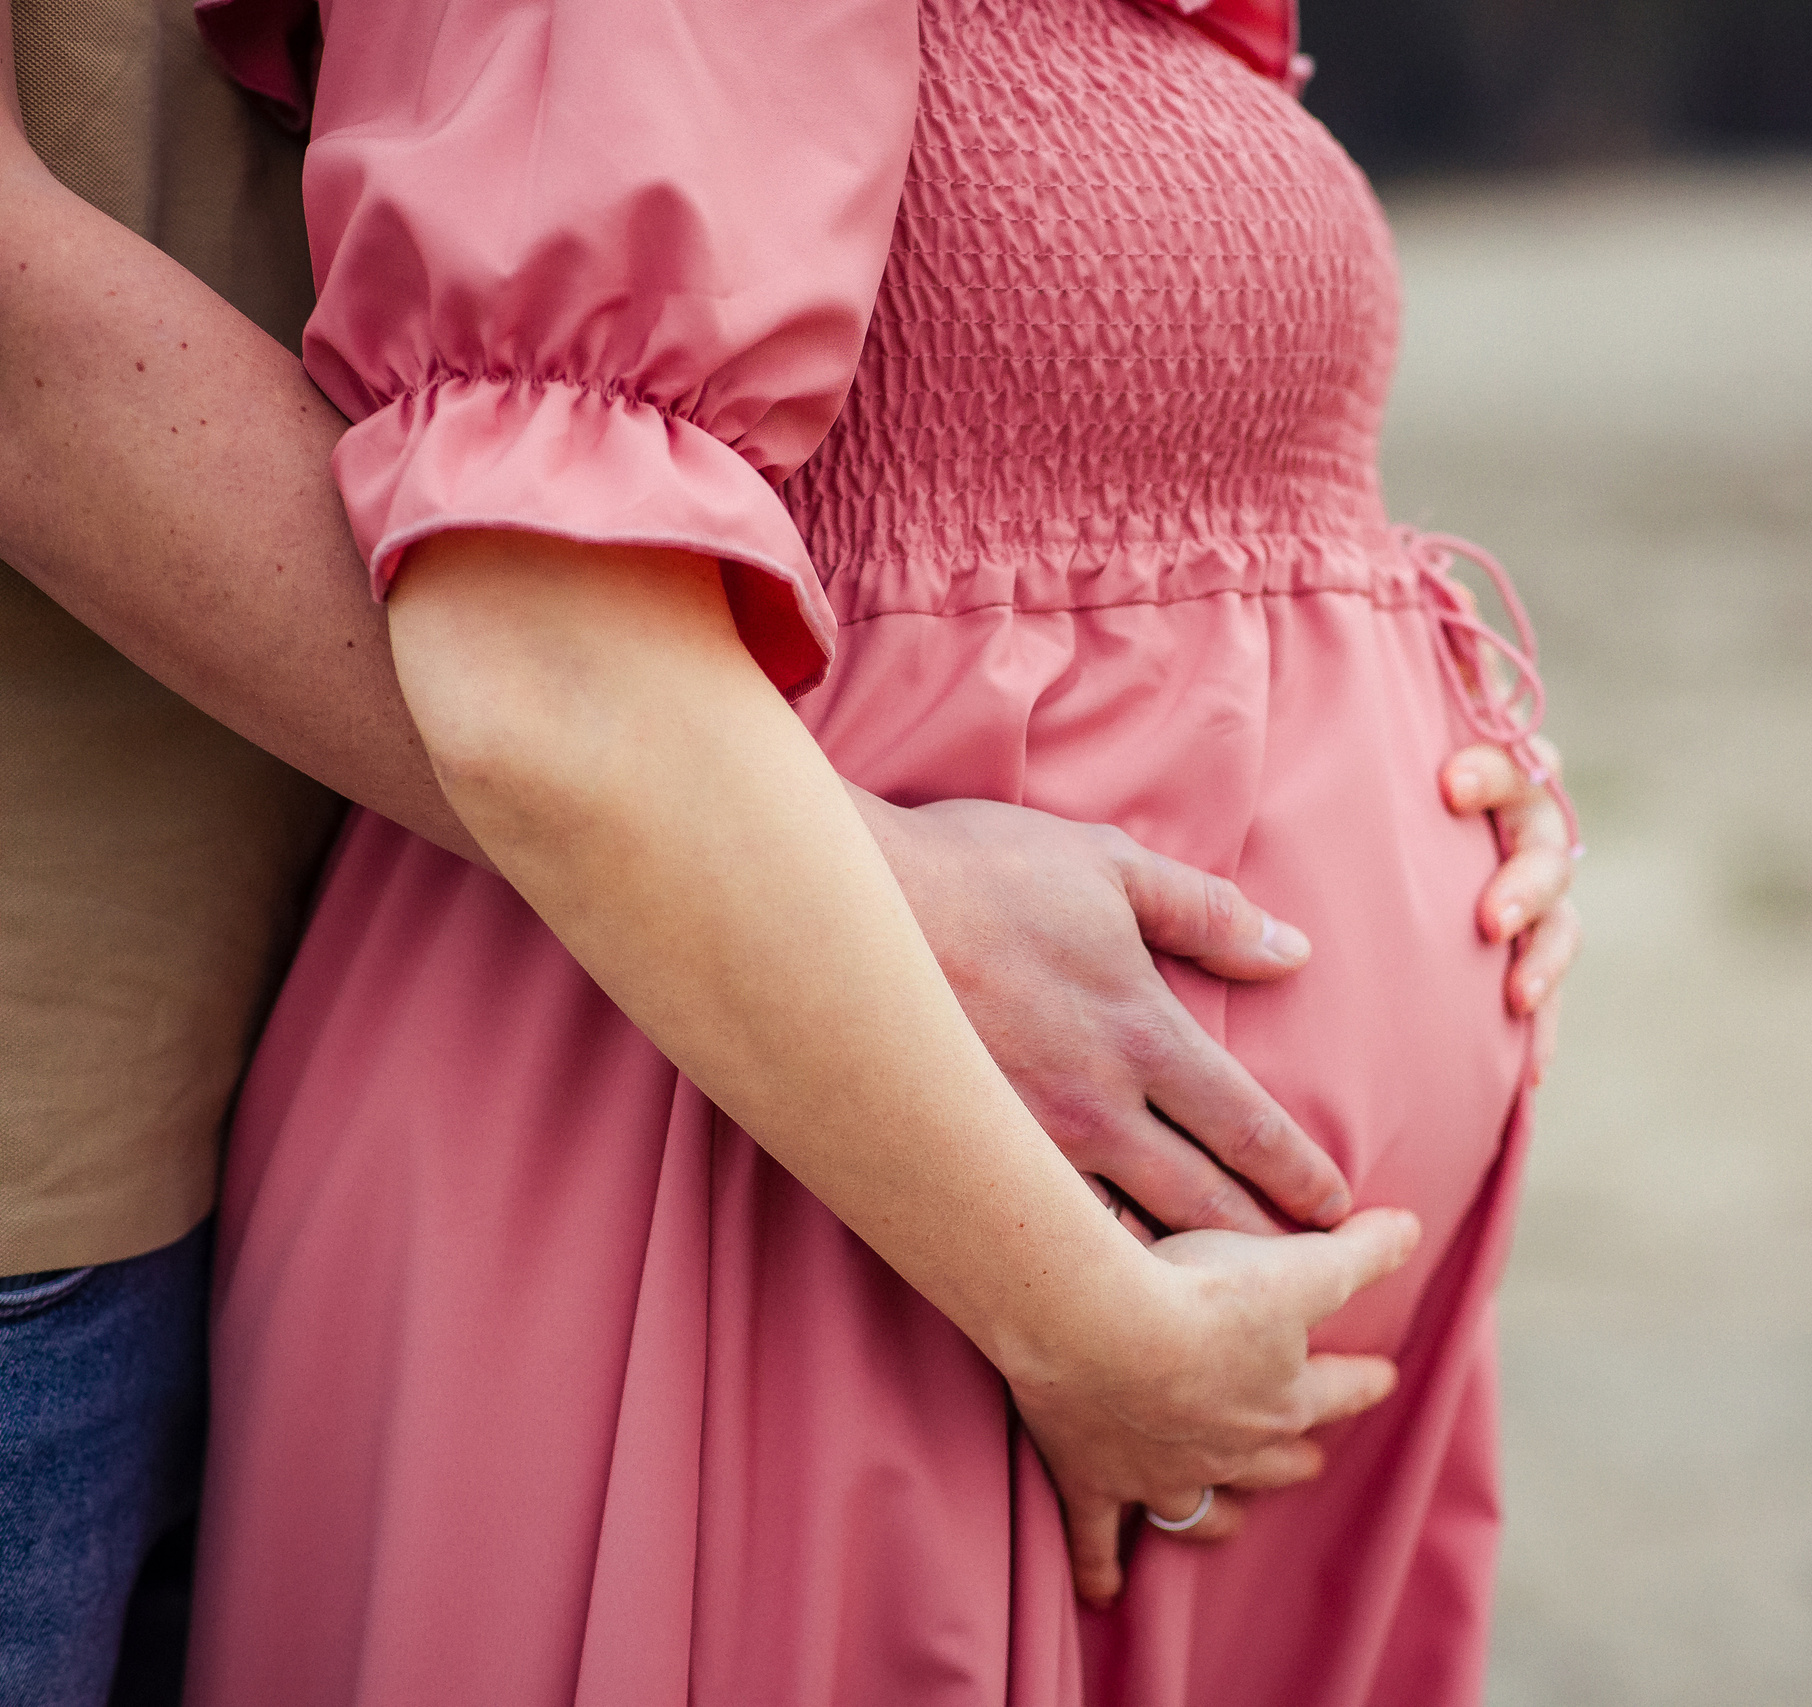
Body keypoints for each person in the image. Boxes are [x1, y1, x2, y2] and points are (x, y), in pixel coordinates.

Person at [0, 6, 1581, 1705]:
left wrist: (1410, 702)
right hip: (778, 1225)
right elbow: (552, 651)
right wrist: (1082, 1316)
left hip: (1057, 1314)